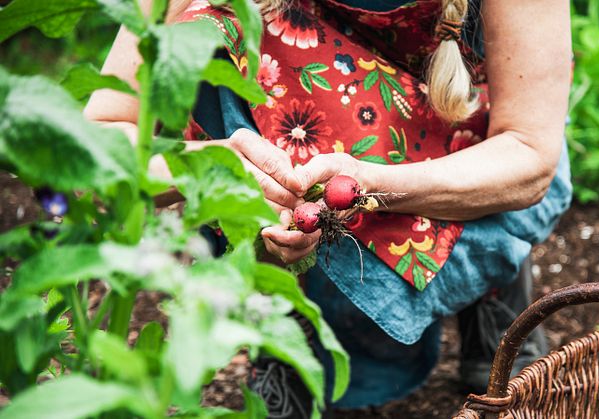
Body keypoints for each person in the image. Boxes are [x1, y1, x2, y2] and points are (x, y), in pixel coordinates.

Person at [85, 0, 572, 416]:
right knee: (214, 21)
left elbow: (528, 151)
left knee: (492, 175)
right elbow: (98, 143)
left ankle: (493, 287)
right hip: (293, 137)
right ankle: (286, 324)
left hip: (453, 140)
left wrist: (375, 186)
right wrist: (210, 166)